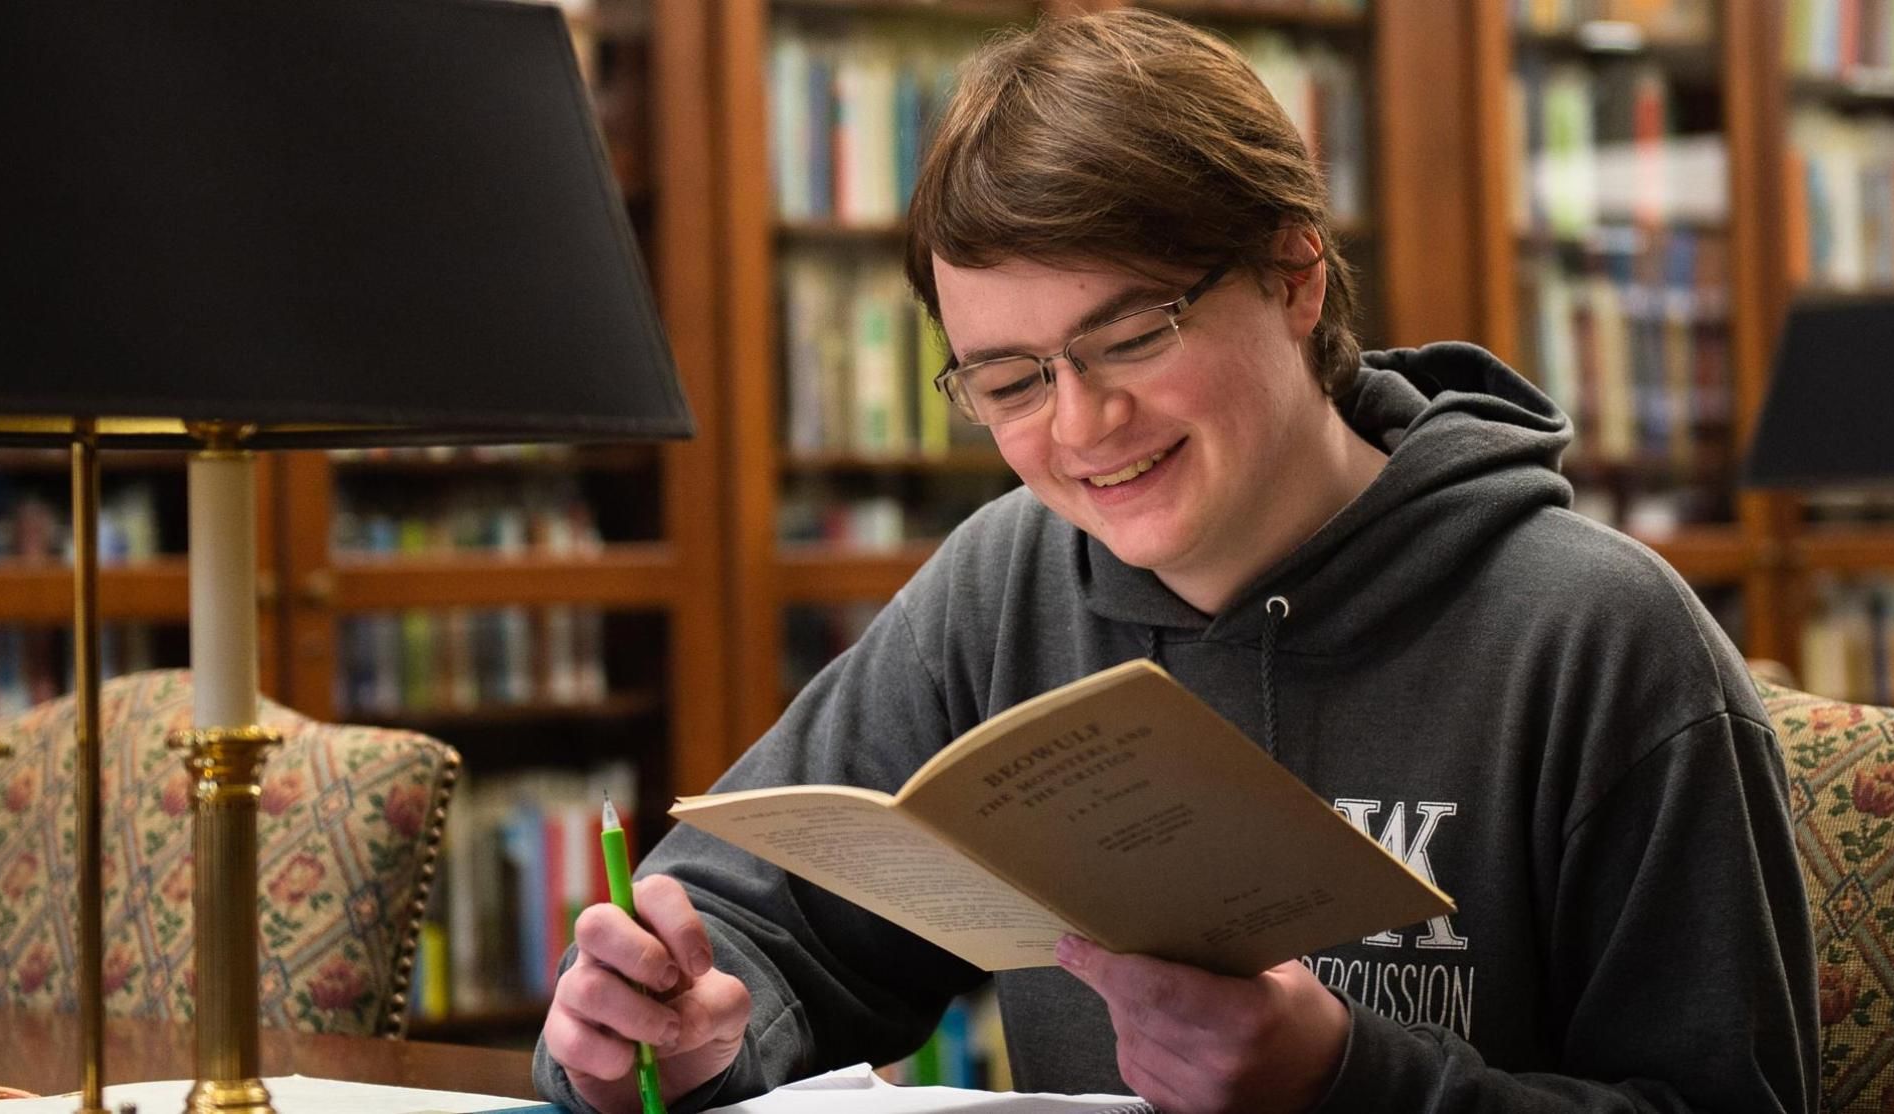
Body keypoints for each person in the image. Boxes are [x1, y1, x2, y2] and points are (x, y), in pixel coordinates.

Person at [534, 10, 1817, 1112]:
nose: (1080, 425)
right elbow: (761, 923)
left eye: (1133, 337)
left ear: (1292, 276)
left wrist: (1346, 1082)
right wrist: (678, 1023)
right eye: (1008, 378)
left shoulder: (1595, 637)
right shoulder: (1003, 585)